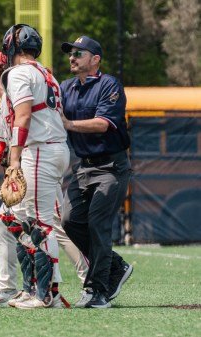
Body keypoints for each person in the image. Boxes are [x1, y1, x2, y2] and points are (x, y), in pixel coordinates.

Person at [0, 50, 88, 308]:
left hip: (39, 158)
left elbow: (8, 143)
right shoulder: (19, 91)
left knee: (46, 226)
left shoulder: (17, 91)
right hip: (40, 157)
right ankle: (21, 287)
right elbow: (5, 143)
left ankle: (59, 289)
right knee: (11, 223)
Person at [0, 24, 70, 309]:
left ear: (11, 47)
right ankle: (30, 287)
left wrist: (14, 160)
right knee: (15, 221)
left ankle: (48, 295)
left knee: (41, 224)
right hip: (51, 149)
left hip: (40, 150)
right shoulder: (47, 74)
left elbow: (22, 118)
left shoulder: (20, 73)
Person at [59, 36, 134, 309]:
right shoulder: (66, 87)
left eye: (79, 53)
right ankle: (115, 265)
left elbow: (103, 124)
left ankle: (97, 290)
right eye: (71, 53)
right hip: (84, 166)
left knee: (98, 225)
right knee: (69, 220)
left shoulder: (109, 85)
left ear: (95, 59)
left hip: (110, 168)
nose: (72, 57)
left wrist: (68, 123)